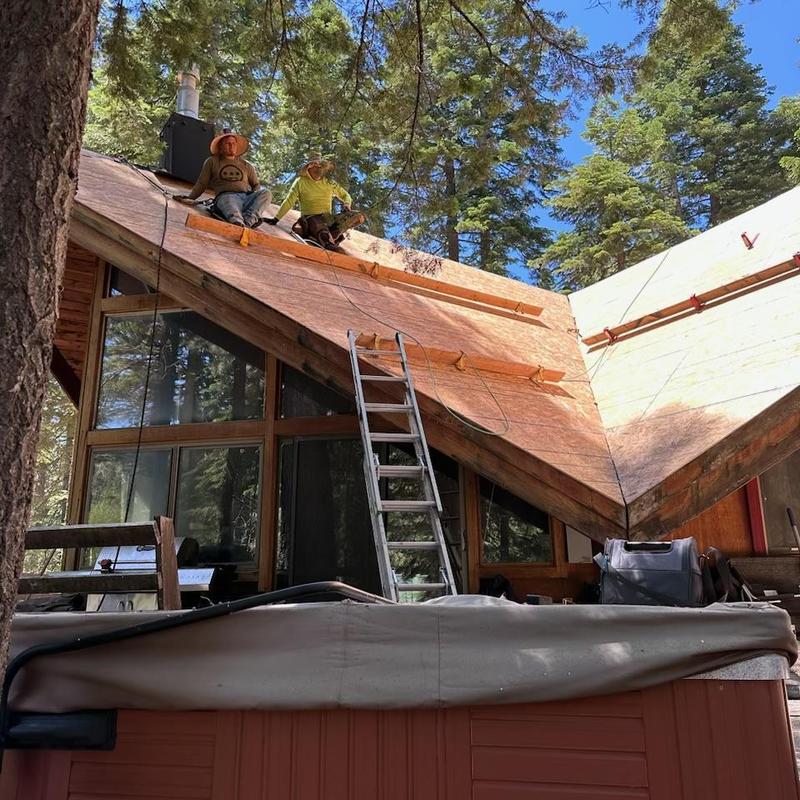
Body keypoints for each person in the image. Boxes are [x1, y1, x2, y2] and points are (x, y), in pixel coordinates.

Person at [174, 129, 272, 228]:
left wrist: (253, 198)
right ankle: (238, 222)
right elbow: (201, 183)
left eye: (233, 143)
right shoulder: (212, 161)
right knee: (229, 200)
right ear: (221, 146)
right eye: (228, 143)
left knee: (266, 193)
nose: (231, 146)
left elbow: (256, 185)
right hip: (226, 196)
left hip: (245, 197)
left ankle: (248, 221)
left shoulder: (246, 165)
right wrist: (190, 198)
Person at [265, 151, 365, 247]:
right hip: (311, 218)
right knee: (318, 224)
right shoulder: (300, 182)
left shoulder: (329, 182)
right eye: (315, 165)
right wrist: (276, 219)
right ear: (309, 167)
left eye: (320, 165)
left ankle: (332, 233)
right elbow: (289, 201)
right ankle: (327, 239)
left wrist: (347, 204)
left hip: (328, 219)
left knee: (358, 216)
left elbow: (346, 195)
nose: (318, 167)